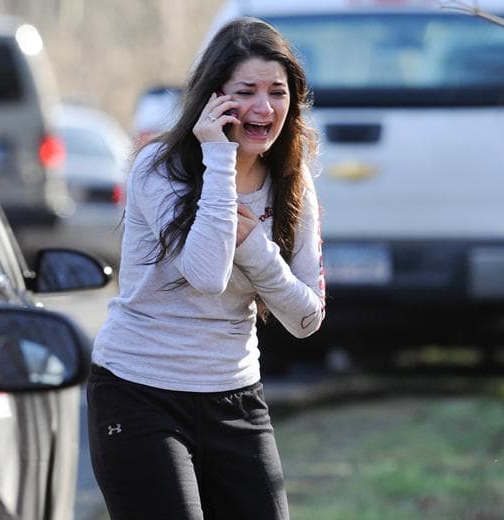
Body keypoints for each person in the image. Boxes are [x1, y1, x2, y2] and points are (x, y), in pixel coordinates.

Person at [87, 17, 325, 520]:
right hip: (138, 393)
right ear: (214, 100)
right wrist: (220, 159)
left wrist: (257, 248)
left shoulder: (292, 180)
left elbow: (306, 319)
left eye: (277, 92)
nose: (264, 108)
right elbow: (207, 274)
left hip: (235, 397)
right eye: (246, 91)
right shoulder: (158, 167)